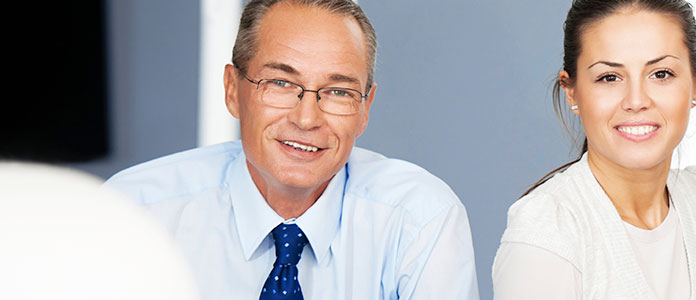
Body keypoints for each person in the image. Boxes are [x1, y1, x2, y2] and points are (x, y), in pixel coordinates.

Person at [104, 0, 478, 299]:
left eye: (338, 92)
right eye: (281, 83)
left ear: (365, 109)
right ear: (233, 90)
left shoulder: (418, 219)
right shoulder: (135, 212)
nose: (306, 118)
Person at [492, 0, 696, 299]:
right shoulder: (547, 229)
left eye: (661, 73)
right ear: (572, 91)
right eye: (609, 77)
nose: (636, 100)